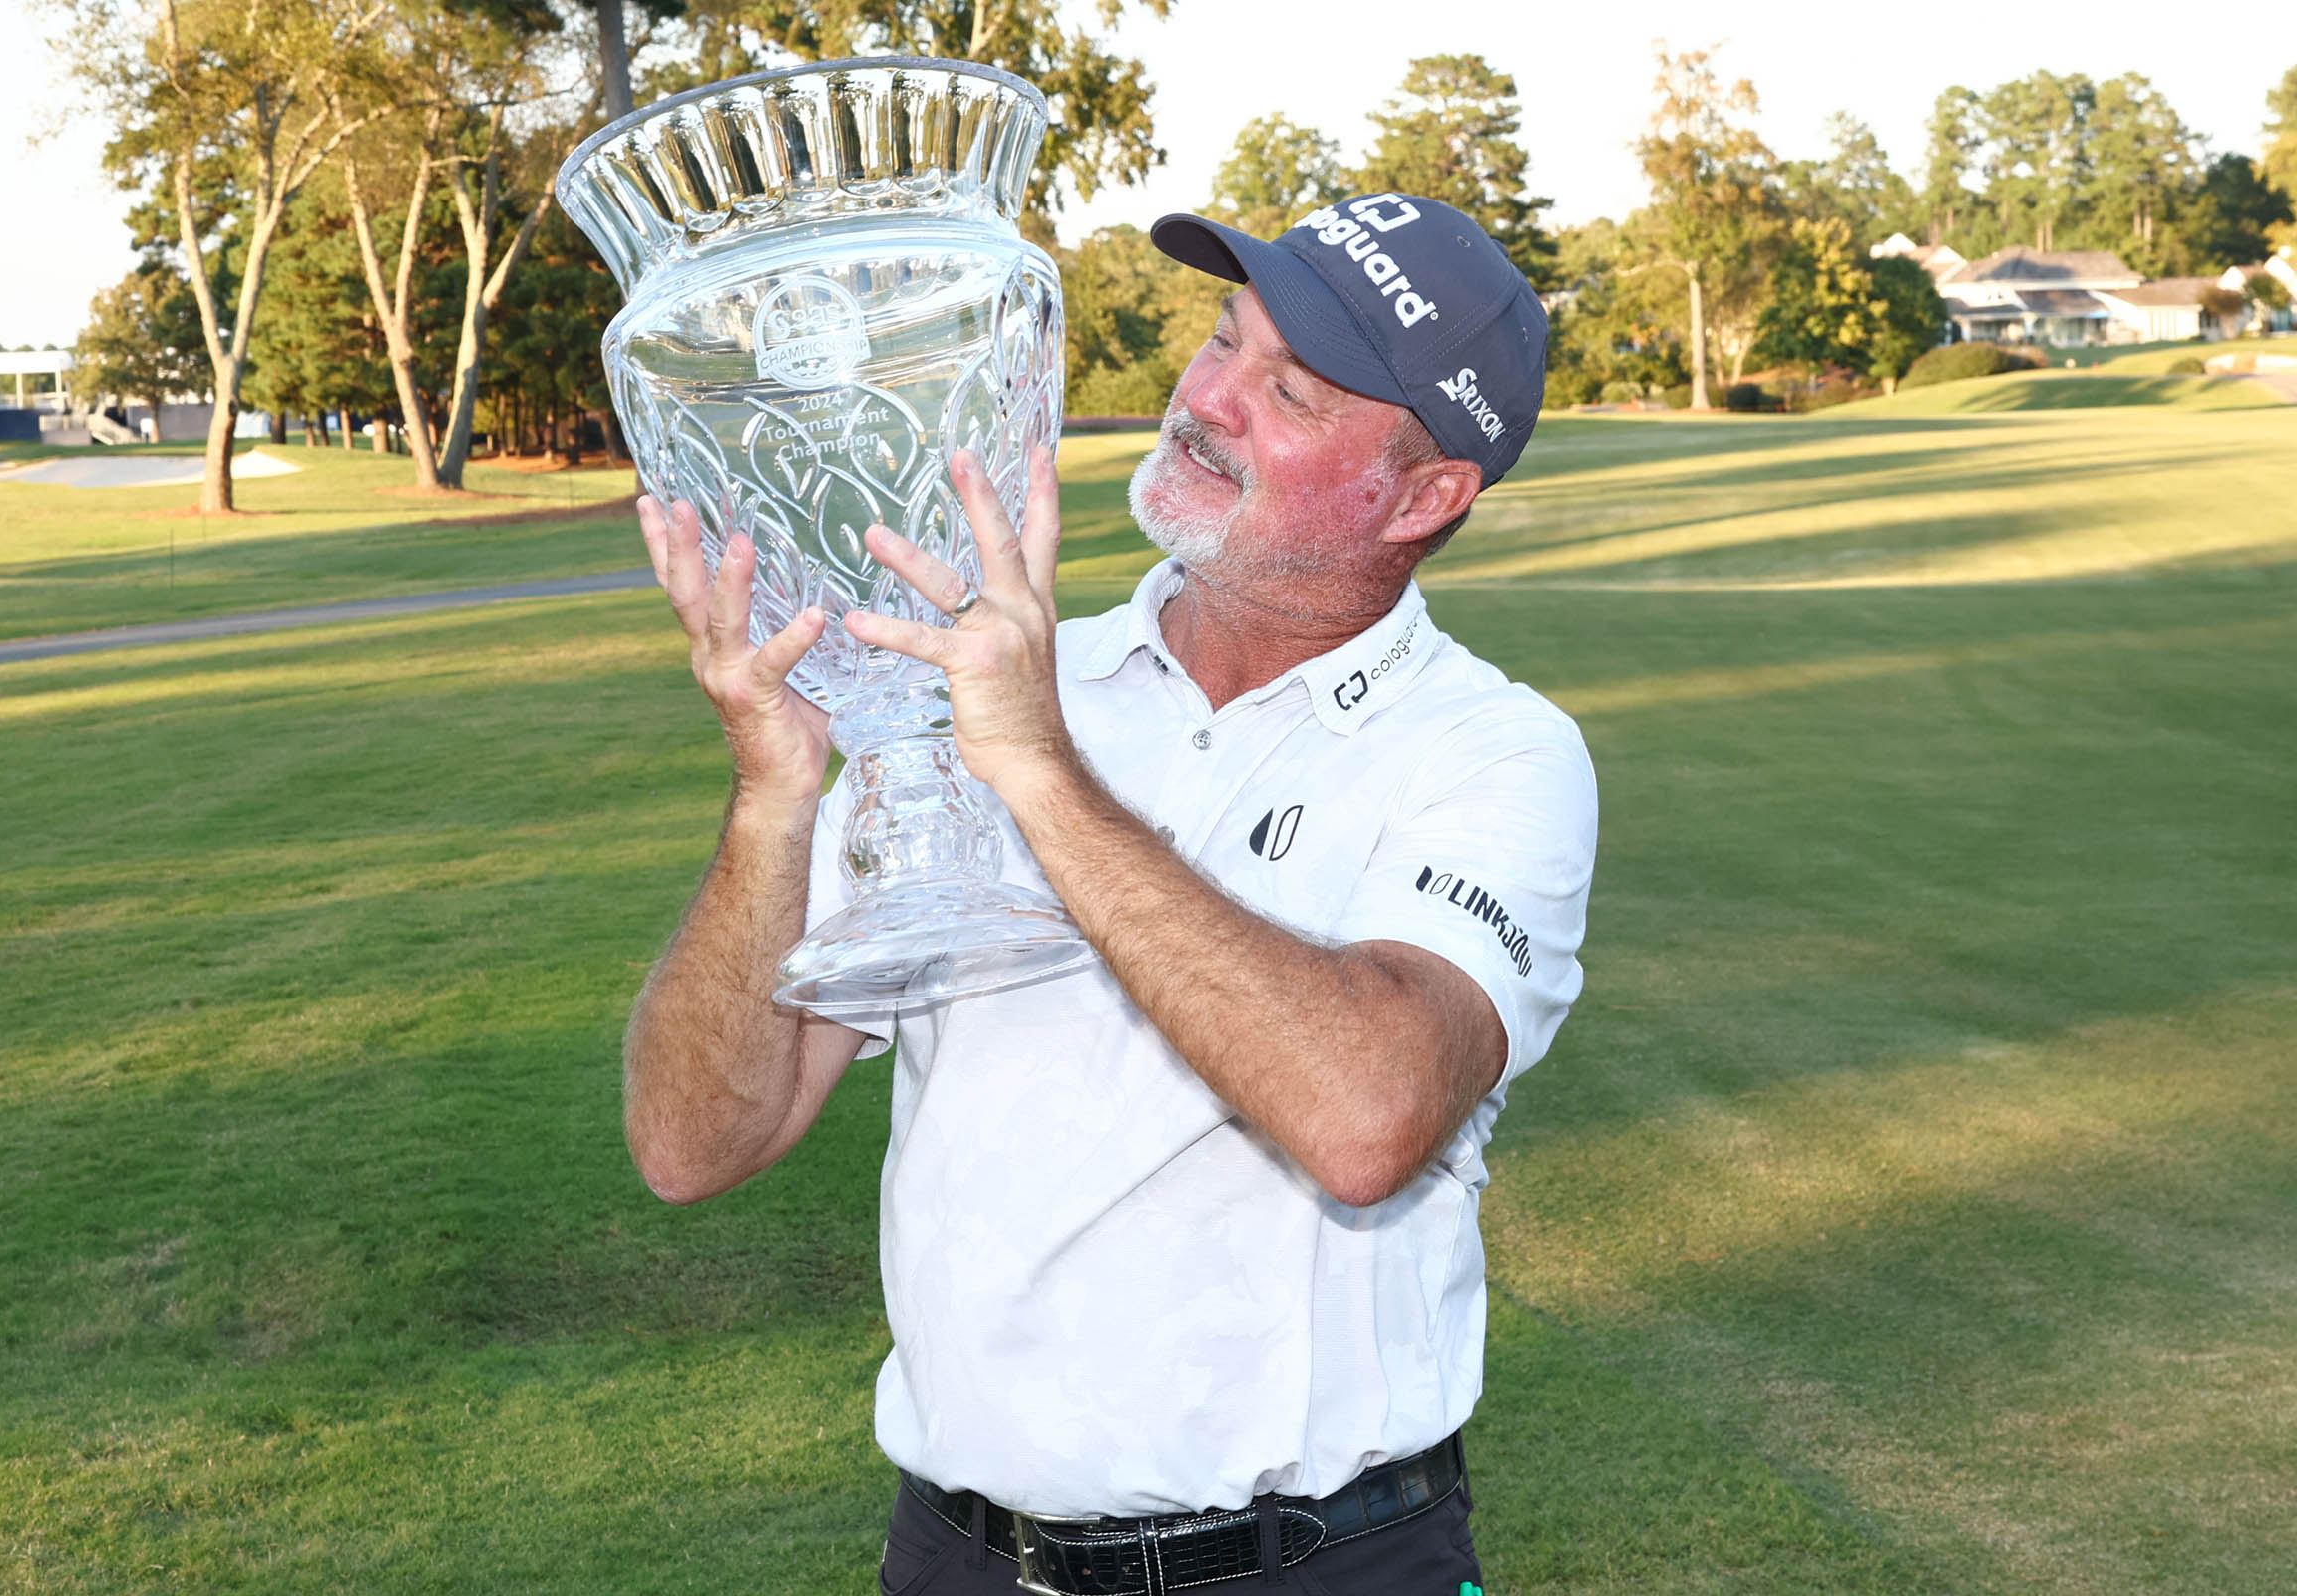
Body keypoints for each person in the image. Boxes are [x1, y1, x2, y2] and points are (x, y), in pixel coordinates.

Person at [624, 192, 1596, 1595]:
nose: (1204, 400)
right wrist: (773, 796)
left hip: (1315, 1568)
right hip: (959, 1559)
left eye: (1291, 390)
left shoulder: (1494, 754)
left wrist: (1036, 769)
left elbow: (1367, 1118)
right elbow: (691, 1145)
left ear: (1427, 495)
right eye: (1220, 341)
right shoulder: (982, 677)